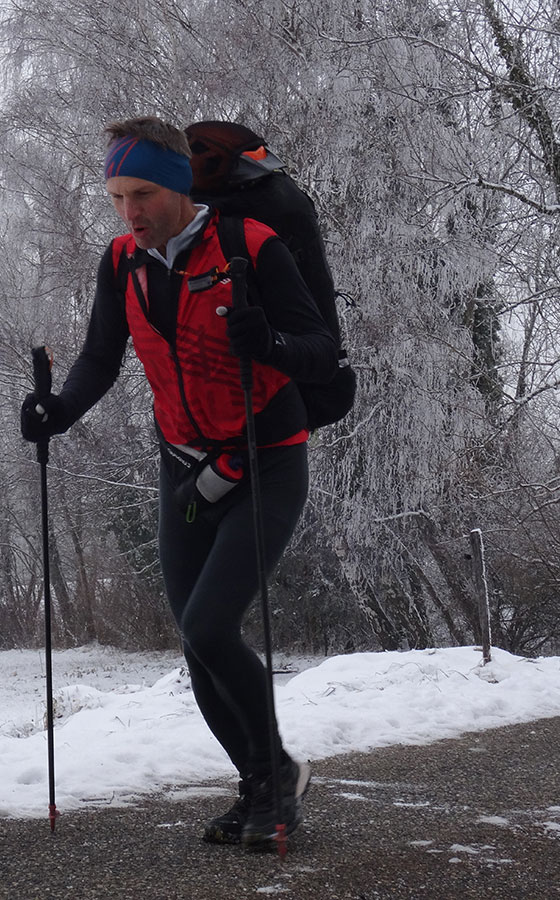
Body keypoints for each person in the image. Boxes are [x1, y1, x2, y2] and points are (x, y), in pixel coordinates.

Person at [20, 116, 337, 848]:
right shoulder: (121, 264)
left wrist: (271, 344)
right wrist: (58, 411)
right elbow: (101, 358)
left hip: (266, 458)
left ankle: (278, 777)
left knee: (208, 625)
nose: (128, 212)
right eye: (116, 197)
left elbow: (321, 348)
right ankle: (259, 785)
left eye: (142, 195)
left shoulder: (250, 246)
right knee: (197, 646)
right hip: (184, 469)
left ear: (178, 185)